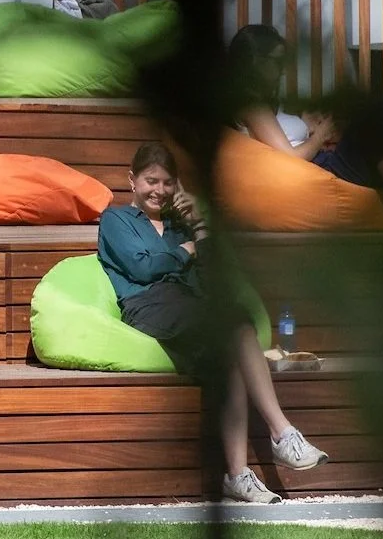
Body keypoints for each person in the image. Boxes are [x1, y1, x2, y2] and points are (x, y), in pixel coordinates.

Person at [99, 142, 327, 503]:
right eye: (150, 180)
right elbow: (142, 269)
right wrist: (182, 253)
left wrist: (200, 229)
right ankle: (282, 433)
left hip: (192, 307)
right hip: (148, 305)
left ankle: (239, 474)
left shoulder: (180, 226)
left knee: (232, 343)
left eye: (168, 182)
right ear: (132, 180)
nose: (159, 190)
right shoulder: (116, 220)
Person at [228, 24, 383, 214]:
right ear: (256, 61)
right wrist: (320, 135)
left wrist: (305, 124)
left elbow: (281, 139)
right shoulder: (253, 106)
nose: (283, 68)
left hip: (325, 164)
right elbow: (290, 157)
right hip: (325, 170)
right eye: (278, 61)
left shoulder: (264, 103)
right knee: (374, 118)